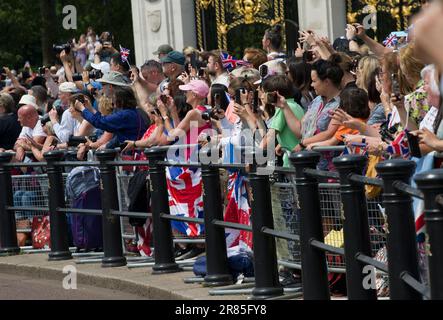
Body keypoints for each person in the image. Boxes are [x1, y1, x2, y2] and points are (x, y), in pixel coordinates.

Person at [260, 75, 305, 167]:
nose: (262, 96)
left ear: (275, 94)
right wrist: (281, 144)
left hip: (293, 158)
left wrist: (256, 153)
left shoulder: (282, 108)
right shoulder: (295, 105)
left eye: (264, 92)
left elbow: (270, 135)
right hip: (299, 156)